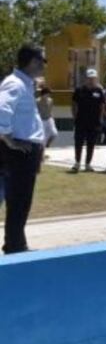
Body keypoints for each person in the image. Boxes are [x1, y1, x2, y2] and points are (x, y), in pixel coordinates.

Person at [0, 45, 46, 254]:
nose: (43, 66)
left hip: (25, 152)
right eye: (41, 61)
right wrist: (9, 140)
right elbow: (1, 110)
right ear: (32, 62)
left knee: (20, 202)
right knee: (19, 202)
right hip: (19, 153)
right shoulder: (15, 83)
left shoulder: (25, 84)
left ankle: (15, 243)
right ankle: (15, 247)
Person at [71, 68, 105, 172]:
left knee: (91, 144)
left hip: (94, 122)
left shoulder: (99, 91)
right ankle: (77, 163)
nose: (91, 80)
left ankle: (88, 164)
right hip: (81, 121)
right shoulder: (79, 90)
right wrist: (74, 116)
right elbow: (74, 104)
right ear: (86, 78)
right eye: (89, 78)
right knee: (79, 143)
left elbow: (102, 106)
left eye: (93, 78)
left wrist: (100, 118)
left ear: (96, 79)